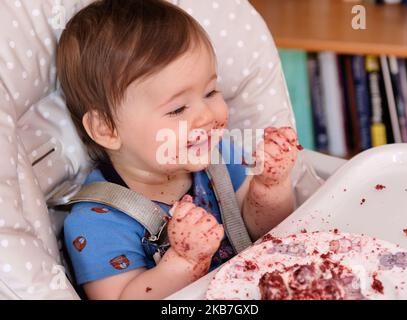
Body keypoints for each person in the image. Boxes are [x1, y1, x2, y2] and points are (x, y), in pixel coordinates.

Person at [56, 0, 299, 299]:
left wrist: (270, 186)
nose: (206, 116)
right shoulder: (97, 221)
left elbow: (268, 231)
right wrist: (183, 263)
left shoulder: (218, 154)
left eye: (210, 92)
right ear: (107, 128)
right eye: (178, 109)